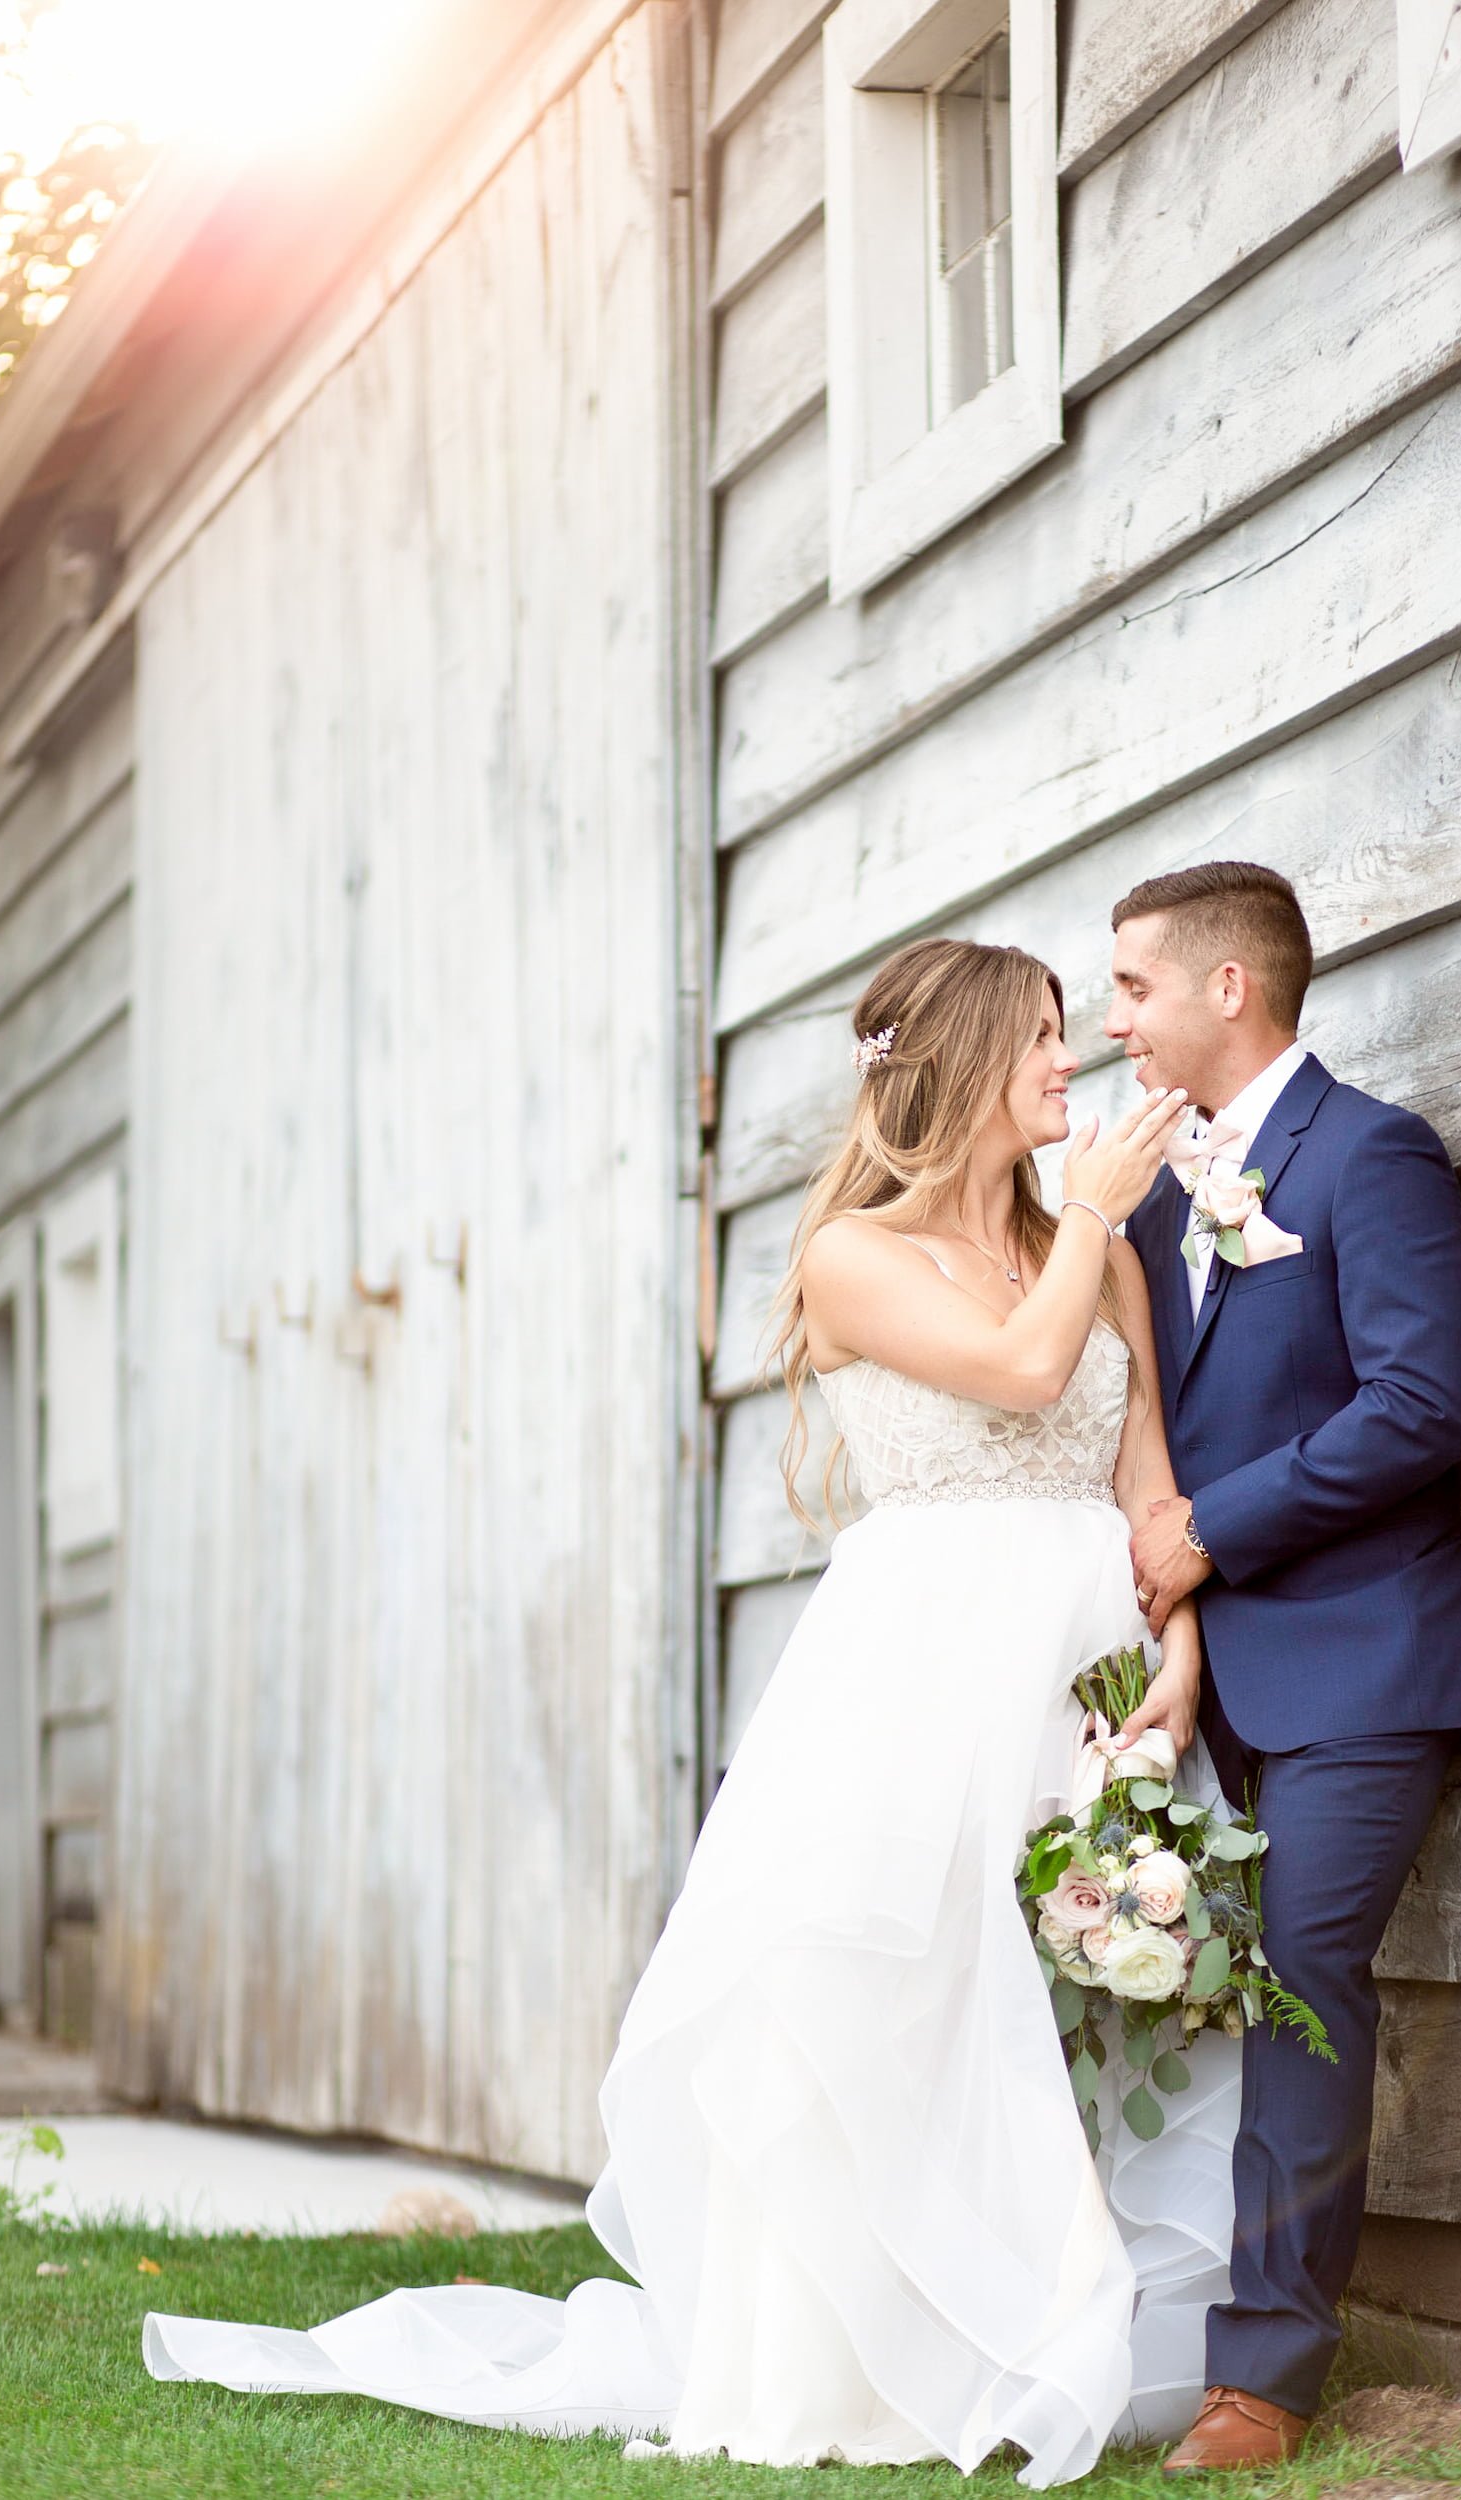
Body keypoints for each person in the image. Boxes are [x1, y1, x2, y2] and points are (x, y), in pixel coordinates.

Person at [144, 937, 1241, 2481]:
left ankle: (1064, 2332)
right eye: (1045, 1037)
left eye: (1076, 1033)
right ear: (964, 1057)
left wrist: (1178, 1661)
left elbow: (1150, 1486)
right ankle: (856, 2367)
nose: (1073, 1063)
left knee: (1080, 2000)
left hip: (1087, 1674)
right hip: (919, 1675)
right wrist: (1100, 1220)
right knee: (893, 2006)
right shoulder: (856, 1258)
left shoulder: (1099, 1250)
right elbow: (1018, 1368)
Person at [1110, 862, 1461, 2473]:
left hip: (1361, 1664)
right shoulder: (1141, 1195)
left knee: (1301, 1993)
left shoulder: (1371, 1156)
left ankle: (1261, 2383)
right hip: (1209, 1675)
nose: (1110, 1015)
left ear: (1227, 990)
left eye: (1130, 985)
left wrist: (1216, 1531)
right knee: (1174, 2001)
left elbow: (1420, 1405)